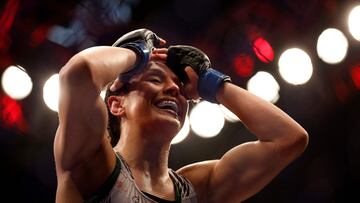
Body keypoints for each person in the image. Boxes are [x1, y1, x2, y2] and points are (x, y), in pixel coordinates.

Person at [53, 28, 309, 203]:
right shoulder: (92, 159)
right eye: (155, 79)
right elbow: (77, 74)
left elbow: (288, 139)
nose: (175, 89)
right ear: (117, 105)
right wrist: (136, 53)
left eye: (181, 87)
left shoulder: (194, 190)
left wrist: (212, 84)